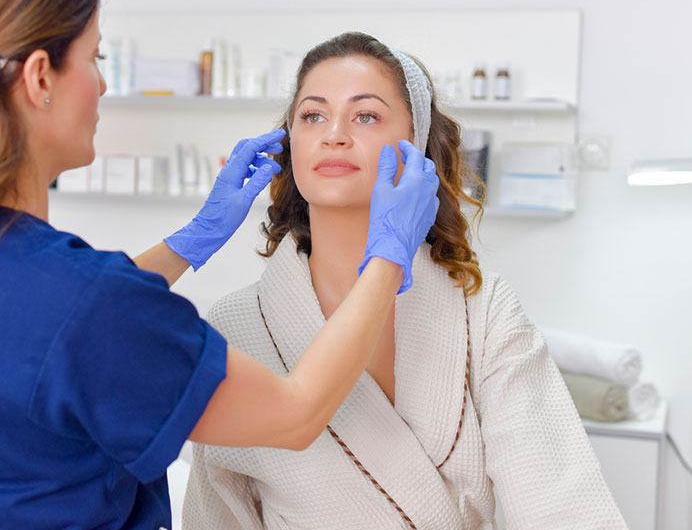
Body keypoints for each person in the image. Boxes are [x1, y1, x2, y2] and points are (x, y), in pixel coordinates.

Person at [0, 0, 441, 529]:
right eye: (94, 57)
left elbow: (37, 338)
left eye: (364, 115)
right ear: (39, 79)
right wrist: (390, 253)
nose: (103, 83)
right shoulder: (90, 304)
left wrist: (188, 242)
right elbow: (297, 412)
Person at [183, 32, 627, 529]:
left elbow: (558, 499)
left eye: (366, 115)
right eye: (312, 116)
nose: (334, 133)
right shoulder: (238, 326)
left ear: (415, 145)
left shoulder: (481, 310)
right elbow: (215, 513)